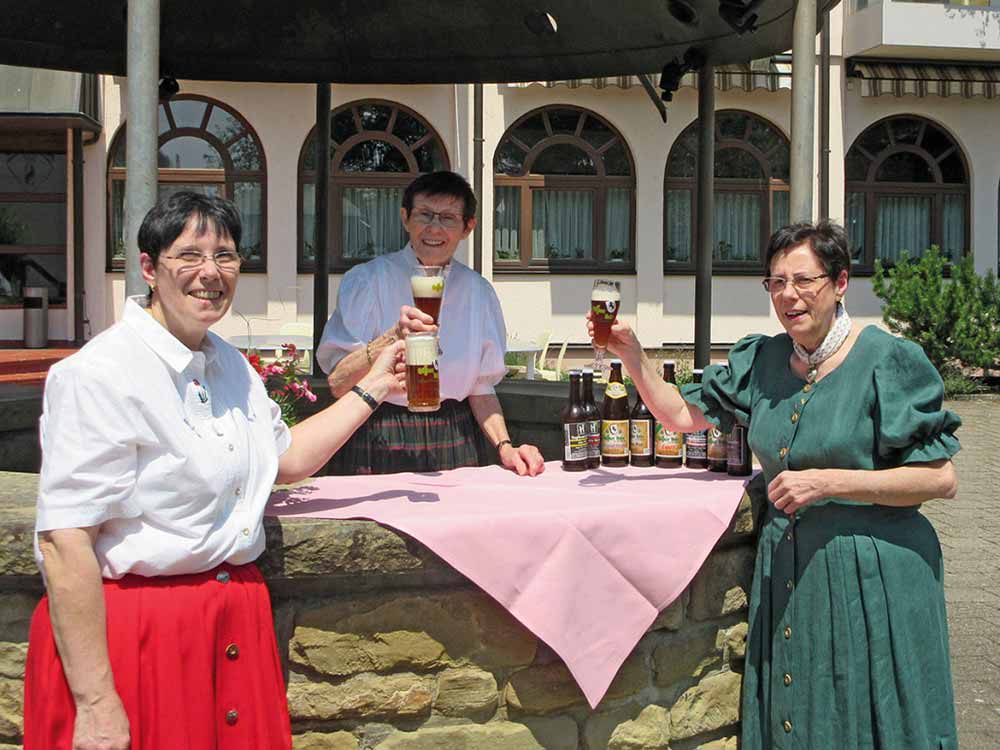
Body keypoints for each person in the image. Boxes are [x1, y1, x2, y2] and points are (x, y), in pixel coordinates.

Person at [24, 192, 406, 749]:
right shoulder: (99, 374)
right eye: (190, 255)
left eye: (225, 256)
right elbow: (64, 542)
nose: (211, 273)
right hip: (138, 638)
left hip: (233, 624)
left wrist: (375, 384)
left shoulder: (229, 364)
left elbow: (287, 458)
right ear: (150, 268)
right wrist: (97, 701)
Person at [590, 221, 960, 749]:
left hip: (874, 573)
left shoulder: (889, 360)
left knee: (867, 713)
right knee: (801, 711)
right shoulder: (762, 361)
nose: (789, 295)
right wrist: (632, 354)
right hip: (790, 568)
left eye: (803, 280)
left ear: (840, 283)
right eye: (776, 282)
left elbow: (939, 478)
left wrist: (829, 481)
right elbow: (677, 415)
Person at [317, 170, 544, 476]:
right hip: (376, 428)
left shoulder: (479, 292)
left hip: (455, 431)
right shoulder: (367, 281)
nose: (434, 228)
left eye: (448, 218)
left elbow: (481, 388)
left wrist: (505, 446)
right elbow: (338, 382)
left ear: (468, 227)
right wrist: (392, 337)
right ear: (405, 218)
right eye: (424, 214)